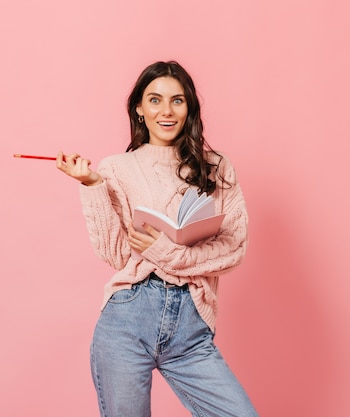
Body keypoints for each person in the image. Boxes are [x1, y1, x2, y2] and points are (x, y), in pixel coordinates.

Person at [56, 61, 258, 417]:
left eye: (177, 101)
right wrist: (92, 186)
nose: (166, 111)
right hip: (127, 320)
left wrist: (166, 251)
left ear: (189, 107)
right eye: (155, 100)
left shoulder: (216, 167)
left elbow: (234, 247)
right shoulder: (117, 168)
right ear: (139, 107)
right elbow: (117, 255)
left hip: (191, 327)